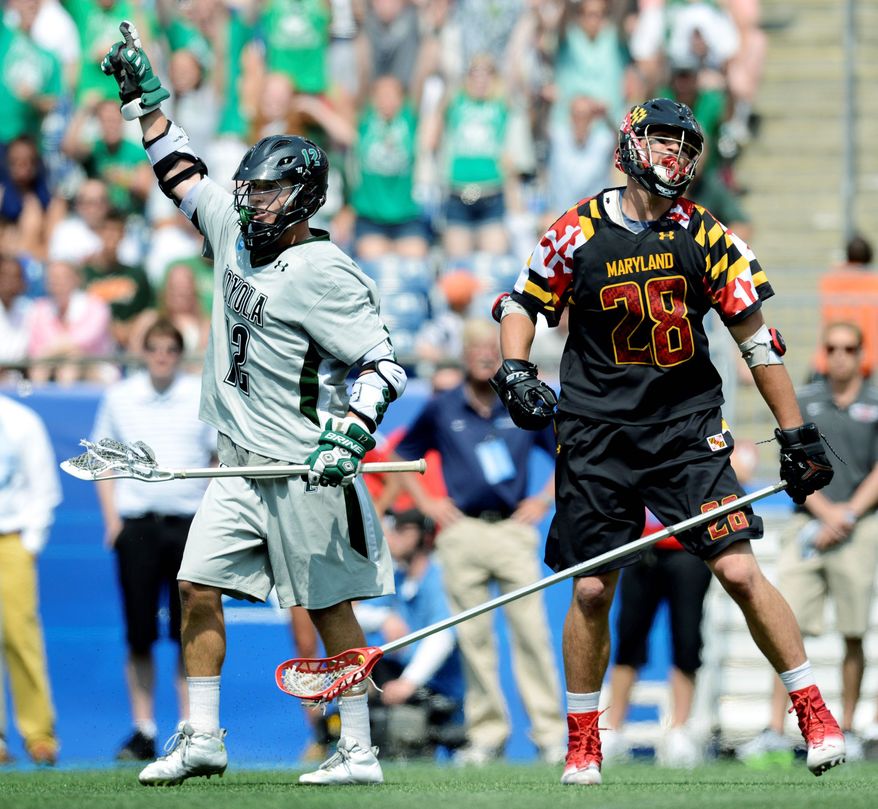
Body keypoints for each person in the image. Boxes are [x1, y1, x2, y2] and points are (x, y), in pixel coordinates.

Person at [491, 97, 844, 785]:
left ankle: (812, 708)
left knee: (739, 569)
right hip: (596, 431)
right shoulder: (578, 229)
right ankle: (585, 738)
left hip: (685, 429)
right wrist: (514, 367)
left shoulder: (706, 234)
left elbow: (757, 340)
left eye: (685, 146)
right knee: (593, 589)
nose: (674, 157)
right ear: (629, 143)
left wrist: (793, 430)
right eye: (661, 141)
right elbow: (521, 301)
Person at [100, 21, 407, 786]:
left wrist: (351, 433)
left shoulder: (325, 271)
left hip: (305, 465)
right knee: (195, 584)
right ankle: (202, 734)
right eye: (251, 188)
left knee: (330, 610)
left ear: (302, 196)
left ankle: (358, 747)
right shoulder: (235, 231)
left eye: (266, 190)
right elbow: (179, 170)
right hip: (238, 461)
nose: (250, 200)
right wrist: (145, 97)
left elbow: (384, 364)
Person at [394, 318, 566, 765]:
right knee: (473, 638)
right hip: (462, 531)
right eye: (476, 348)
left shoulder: (521, 404)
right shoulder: (442, 405)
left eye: (492, 348)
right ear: (464, 355)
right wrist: (430, 504)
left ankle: (549, 735)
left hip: (512, 529)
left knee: (532, 635)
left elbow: (565, 452)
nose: (485, 355)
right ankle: (487, 735)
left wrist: (541, 500)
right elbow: (399, 454)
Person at [738, 322, 878, 765]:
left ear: (861, 354)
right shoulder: (806, 400)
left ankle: (850, 728)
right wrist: (827, 512)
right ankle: (778, 729)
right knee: (784, 627)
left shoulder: (875, 401)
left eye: (848, 347)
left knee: (853, 631)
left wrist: (849, 512)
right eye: (831, 347)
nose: (839, 355)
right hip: (809, 523)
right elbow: (792, 462)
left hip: (860, 525)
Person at [91, 319, 217, 762]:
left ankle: (189, 725)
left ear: (179, 354)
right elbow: (102, 460)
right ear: (143, 352)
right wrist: (112, 521)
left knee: (188, 628)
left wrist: (211, 520)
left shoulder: (199, 395)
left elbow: (217, 459)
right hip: (138, 525)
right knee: (139, 633)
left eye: (170, 349)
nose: (162, 356)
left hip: (187, 525)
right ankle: (143, 727)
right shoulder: (120, 398)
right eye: (155, 348)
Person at [355, 508, 466, 760]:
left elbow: (443, 636)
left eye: (402, 531)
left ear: (426, 537)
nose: (392, 538)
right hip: (399, 680)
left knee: (402, 725)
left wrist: (409, 682)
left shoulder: (439, 578)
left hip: (435, 690)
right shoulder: (398, 578)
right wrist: (384, 618)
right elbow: (355, 615)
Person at [0, 393, 63, 765]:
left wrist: (31, 542)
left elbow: (44, 485)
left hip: (12, 537)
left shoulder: (20, 419)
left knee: (21, 634)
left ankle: (39, 735)